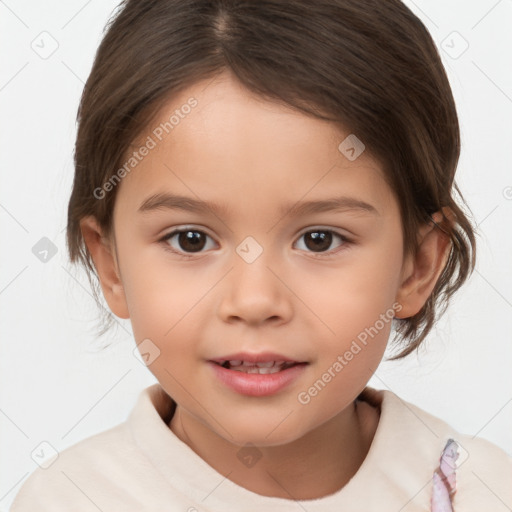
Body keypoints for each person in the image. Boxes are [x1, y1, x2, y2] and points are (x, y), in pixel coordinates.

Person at [10, 0, 511, 510]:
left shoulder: (481, 493)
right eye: (190, 239)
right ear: (111, 264)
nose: (254, 301)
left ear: (418, 266)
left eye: (320, 239)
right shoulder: (68, 500)